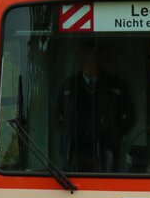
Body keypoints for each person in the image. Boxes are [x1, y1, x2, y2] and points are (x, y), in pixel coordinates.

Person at [56, 43, 132, 172]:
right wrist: (70, 133)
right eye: (88, 56)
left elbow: (130, 115)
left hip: (108, 150)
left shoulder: (115, 85)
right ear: (82, 59)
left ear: (101, 59)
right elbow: (57, 117)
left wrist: (115, 134)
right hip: (74, 150)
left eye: (95, 56)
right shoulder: (69, 86)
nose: (91, 60)